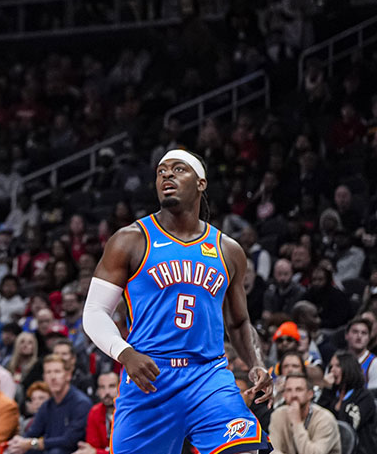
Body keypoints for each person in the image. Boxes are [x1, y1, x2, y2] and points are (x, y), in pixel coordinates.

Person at [82, 150, 272, 454]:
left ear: (201, 183)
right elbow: (94, 311)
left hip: (208, 375)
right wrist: (125, 353)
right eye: (161, 171)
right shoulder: (130, 239)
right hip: (149, 375)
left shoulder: (228, 249)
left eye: (178, 169)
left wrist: (256, 363)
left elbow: (238, 322)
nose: (167, 175)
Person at [5, 355, 90, 454]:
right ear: (44, 378)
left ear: (68, 376)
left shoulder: (81, 403)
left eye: (57, 372)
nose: (53, 377)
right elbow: (32, 433)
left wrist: (33, 443)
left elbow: (69, 441)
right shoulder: (46, 406)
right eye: (48, 372)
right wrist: (19, 442)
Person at [318, 351, 377, 454]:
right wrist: (326, 390)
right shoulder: (331, 394)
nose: (332, 370)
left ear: (349, 368)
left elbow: (348, 428)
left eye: (338, 366)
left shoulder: (364, 397)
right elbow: (318, 417)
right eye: (331, 366)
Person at [268, 374, 340, 454]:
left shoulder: (325, 419)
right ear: (284, 395)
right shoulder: (278, 415)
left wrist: (297, 423)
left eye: (299, 390)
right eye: (289, 390)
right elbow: (273, 450)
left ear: (310, 394)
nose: (293, 395)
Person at [74, 372, 117, 454]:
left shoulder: (129, 412)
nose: (107, 392)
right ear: (97, 391)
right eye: (102, 387)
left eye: (112, 386)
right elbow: (92, 447)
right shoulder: (95, 411)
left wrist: (97, 452)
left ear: (120, 387)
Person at [345, 317, 377, 391]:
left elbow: (374, 395)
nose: (359, 336)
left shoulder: (376, 364)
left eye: (364, 333)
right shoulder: (337, 361)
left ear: (369, 338)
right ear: (346, 335)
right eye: (355, 332)